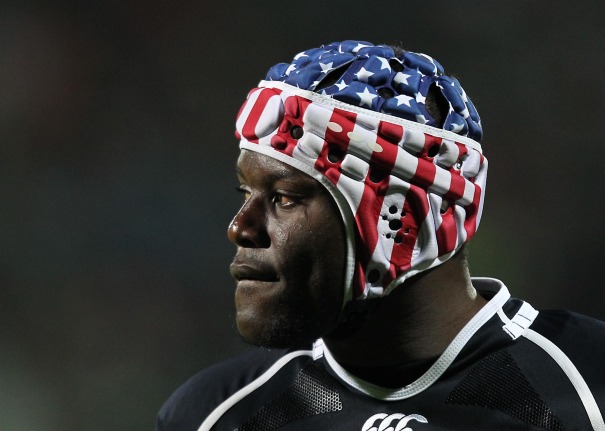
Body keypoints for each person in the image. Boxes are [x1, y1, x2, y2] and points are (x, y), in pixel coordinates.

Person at [156, 40, 605, 431]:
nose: (240, 227)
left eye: (284, 198)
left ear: (402, 220)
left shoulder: (587, 391)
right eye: (246, 193)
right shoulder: (213, 413)